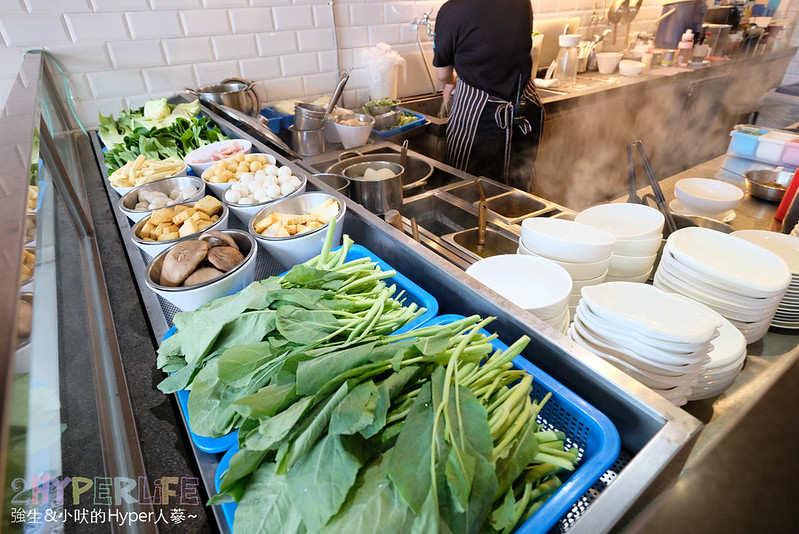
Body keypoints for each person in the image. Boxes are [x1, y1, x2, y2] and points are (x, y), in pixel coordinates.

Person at [433, 0, 544, 193]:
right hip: (524, 110)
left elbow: (443, 74)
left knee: (472, 196)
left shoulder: (452, 11)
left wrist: (453, 80)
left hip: (480, 119)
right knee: (518, 195)